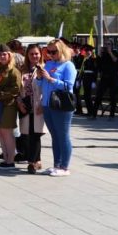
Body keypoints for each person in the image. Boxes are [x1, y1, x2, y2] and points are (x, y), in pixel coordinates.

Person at [38, 38, 77, 176]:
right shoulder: (49, 64)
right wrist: (39, 77)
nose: (50, 54)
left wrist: (50, 79)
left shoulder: (68, 66)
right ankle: (57, 164)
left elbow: (68, 86)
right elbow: (41, 85)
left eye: (53, 51)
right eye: (48, 51)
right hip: (48, 103)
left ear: (61, 50)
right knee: (55, 136)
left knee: (63, 135)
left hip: (62, 104)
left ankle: (65, 167)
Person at [0, 43, 22, 169]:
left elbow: (15, 89)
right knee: (0, 132)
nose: (2, 56)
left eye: (4, 54)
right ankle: (6, 158)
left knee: (7, 133)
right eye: (0, 54)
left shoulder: (14, 71)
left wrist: (1, 96)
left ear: (9, 55)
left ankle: (11, 160)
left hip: (8, 106)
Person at [18, 44, 47, 174]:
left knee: (36, 134)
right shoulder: (22, 69)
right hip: (25, 104)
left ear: (40, 54)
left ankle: (32, 162)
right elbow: (17, 88)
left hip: (37, 105)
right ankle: (37, 160)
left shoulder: (44, 68)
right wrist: (19, 102)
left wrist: (42, 103)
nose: (34, 56)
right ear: (27, 55)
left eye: (36, 53)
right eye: (31, 54)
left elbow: (47, 88)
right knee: (26, 134)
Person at [94, 42, 118, 119]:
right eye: (106, 45)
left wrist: (110, 52)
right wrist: (99, 55)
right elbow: (98, 65)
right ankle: (94, 114)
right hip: (104, 77)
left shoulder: (115, 52)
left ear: (112, 46)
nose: (107, 46)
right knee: (99, 95)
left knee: (112, 96)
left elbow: (116, 61)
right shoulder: (102, 54)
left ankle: (112, 114)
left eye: (109, 44)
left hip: (113, 77)